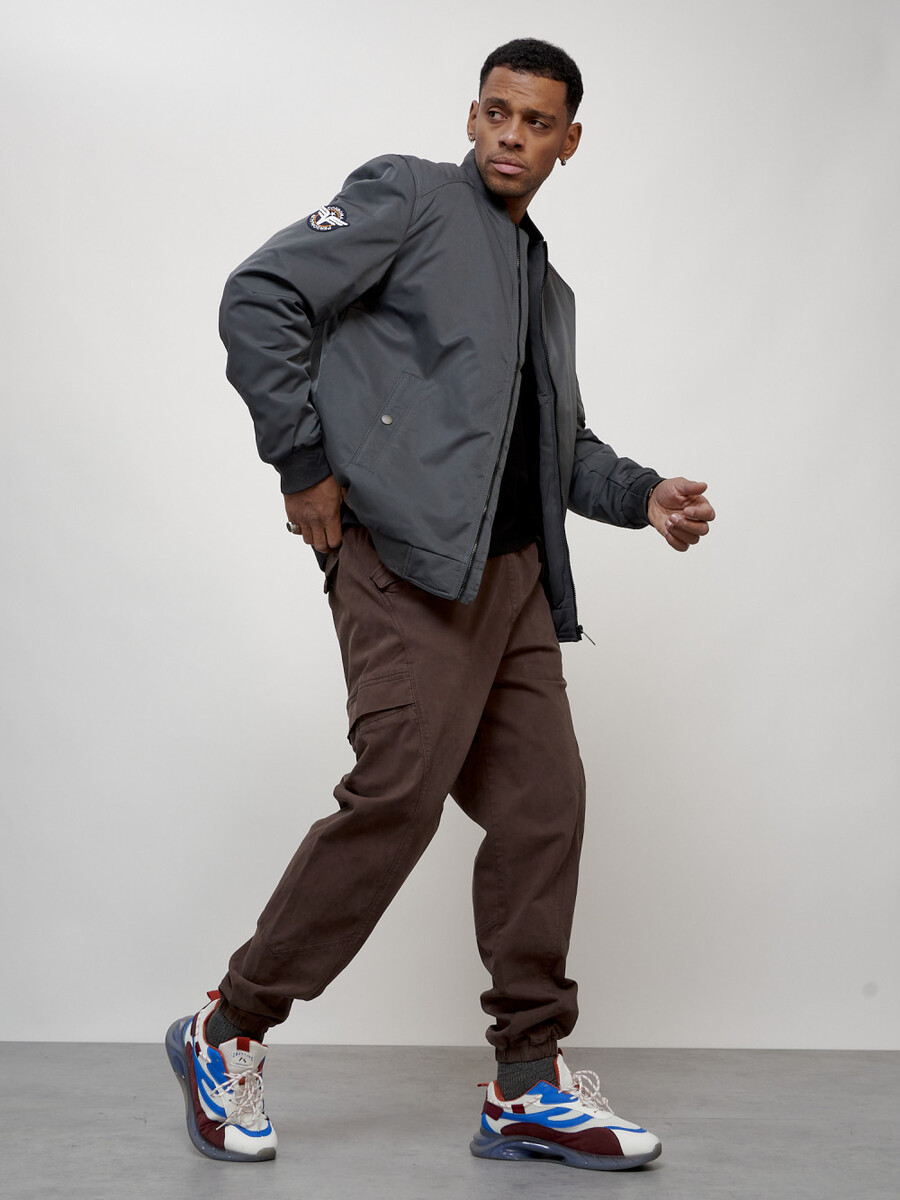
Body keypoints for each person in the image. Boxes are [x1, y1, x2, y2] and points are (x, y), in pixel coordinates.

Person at [166, 37, 714, 1173]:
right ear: (472, 118)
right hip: (404, 563)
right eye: (497, 112)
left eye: (538, 121)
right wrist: (303, 463)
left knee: (544, 808)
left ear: (570, 142)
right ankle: (227, 1029)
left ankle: (527, 1084)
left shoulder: (547, 291)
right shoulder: (408, 198)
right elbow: (260, 295)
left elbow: (560, 448)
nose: (513, 135)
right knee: (399, 794)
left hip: (513, 586)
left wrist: (644, 494)